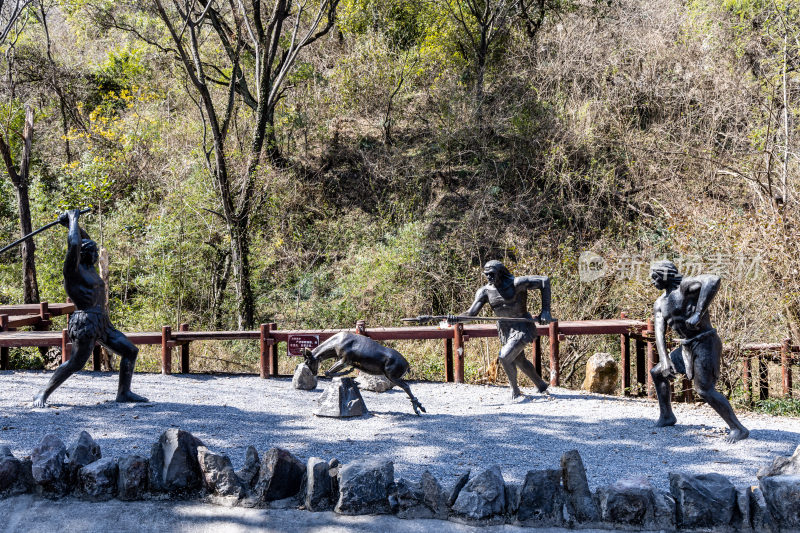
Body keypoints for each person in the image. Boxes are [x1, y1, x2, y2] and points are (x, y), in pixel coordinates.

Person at [33, 209, 147, 407]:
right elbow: (76, 244)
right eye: (93, 252)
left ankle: (124, 392)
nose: (96, 254)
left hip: (101, 321)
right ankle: (42, 393)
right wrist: (73, 217)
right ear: (83, 255)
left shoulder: (90, 268)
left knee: (130, 351)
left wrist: (70, 225)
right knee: (76, 362)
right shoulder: (73, 271)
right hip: (84, 321)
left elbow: (84, 239)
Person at [649, 260, 748, 442]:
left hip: (705, 342)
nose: (652, 280)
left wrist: (699, 313)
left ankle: (738, 428)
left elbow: (713, 279)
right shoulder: (660, 303)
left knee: (704, 389)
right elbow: (659, 331)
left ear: (665, 274)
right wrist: (664, 359)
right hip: (686, 346)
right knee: (657, 372)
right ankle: (667, 416)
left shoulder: (685, 287)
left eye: (655, 276)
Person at [459, 260, 554, 400]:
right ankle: (541, 386)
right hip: (505, 328)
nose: (489, 278)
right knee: (518, 359)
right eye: (486, 275)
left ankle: (515, 392)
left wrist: (545, 311)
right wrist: (455, 319)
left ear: (500, 273)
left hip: (521, 325)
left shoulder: (516, 283)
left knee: (504, 356)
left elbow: (544, 281)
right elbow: (471, 314)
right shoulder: (485, 291)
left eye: (492, 274)